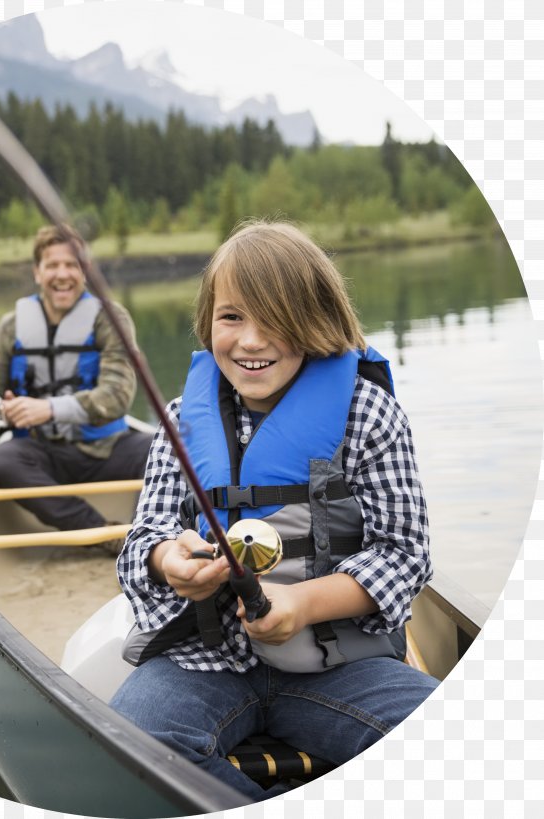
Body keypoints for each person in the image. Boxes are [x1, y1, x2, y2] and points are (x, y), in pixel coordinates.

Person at [110, 220, 438, 801]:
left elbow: (404, 556)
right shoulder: (184, 420)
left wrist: (302, 602)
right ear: (209, 321)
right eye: (232, 317)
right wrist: (168, 561)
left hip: (343, 665)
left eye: (276, 319)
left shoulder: (369, 415)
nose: (251, 341)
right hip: (206, 659)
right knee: (132, 742)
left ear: (318, 321)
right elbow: (143, 541)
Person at [0, 223, 152, 552]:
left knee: (167, 448)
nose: (62, 274)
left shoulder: (111, 318)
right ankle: (106, 537)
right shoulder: (11, 327)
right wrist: (3, 413)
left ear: (86, 270)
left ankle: (147, 533)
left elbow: (117, 396)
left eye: (72, 264)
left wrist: (48, 408)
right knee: (5, 459)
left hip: (106, 450)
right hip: (43, 455)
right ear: (37, 272)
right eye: (52, 265)